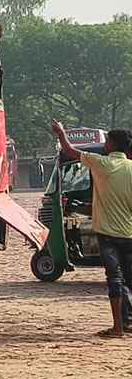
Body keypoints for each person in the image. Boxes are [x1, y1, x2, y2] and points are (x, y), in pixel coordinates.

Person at [50, 121, 132, 338]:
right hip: (130, 235)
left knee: (115, 279)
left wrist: (60, 132)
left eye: (107, 141)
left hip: (108, 235)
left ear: (111, 144)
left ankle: (118, 328)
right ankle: (128, 322)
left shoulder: (101, 163)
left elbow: (69, 151)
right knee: (129, 280)